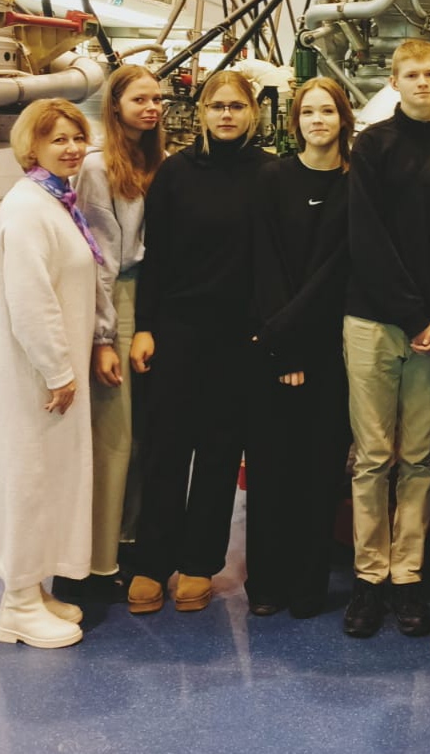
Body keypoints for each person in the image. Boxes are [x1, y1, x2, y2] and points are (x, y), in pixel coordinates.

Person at [342, 38, 430, 639]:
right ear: (394, 82)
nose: (423, 82)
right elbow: (366, 237)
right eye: (412, 73)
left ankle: (408, 577)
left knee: (419, 458)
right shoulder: (371, 146)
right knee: (373, 457)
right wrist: (414, 313)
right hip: (374, 321)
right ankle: (369, 578)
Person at [126, 71, 271, 615]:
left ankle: (198, 564)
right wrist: (145, 326)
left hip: (238, 337)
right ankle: (151, 562)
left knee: (218, 453)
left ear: (252, 112)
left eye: (236, 106)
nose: (226, 115)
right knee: (165, 450)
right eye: (217, 106)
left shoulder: (269, 174)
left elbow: (273, 261)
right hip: (178, 330)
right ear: (203, 113)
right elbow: (156, 256)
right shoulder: (176, 173)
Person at [0, 97, 106, 649]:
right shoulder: (27, 208)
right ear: (31, 146)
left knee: (45, 479)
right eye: (58, 139)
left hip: (53, 373)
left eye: (78, 137)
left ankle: (32, 590)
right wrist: (58, 371)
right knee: (28, 481)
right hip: (36, 378)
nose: (72, 148)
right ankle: (17, 606)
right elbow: (30, 300)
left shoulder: (54, 200)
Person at [248, 78, 356, 619]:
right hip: (275, 346)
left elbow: (338, 270)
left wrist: (296, 340)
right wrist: (282, 347)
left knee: (319, 470)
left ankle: (309, 585)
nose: (318, 120)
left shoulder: (356, 184)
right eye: (308, 112)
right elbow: (264, 261)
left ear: (343, 119)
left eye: (327, 111)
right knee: (272, 468)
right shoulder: (273, 178)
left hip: (330, 347)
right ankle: (267, 582)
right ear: (296, 122)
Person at [68, 65, 163, 601]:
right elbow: (100, 258)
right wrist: (103, 337)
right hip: (119, 302)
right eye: (139, 99)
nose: (151, 108)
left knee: (146, 434)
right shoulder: (97, 168)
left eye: (157, 100)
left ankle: (132, 540)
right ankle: (100, 558)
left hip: (155, 305)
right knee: (115, 436)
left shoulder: (157, 162)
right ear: (116, 105)